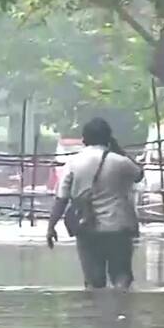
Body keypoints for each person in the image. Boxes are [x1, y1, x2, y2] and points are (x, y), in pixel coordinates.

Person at [46, 117, 144, 289]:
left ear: (84, 139)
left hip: (86, 227)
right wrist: (118, 149)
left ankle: (94, 306)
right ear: (108, 138)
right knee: (121, 275)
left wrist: (51, 227)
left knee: (93, 280)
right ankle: (121, 303)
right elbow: (139, 175)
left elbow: (62, 198)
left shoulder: (73, 163)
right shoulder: (120, 161)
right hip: (118, 227)